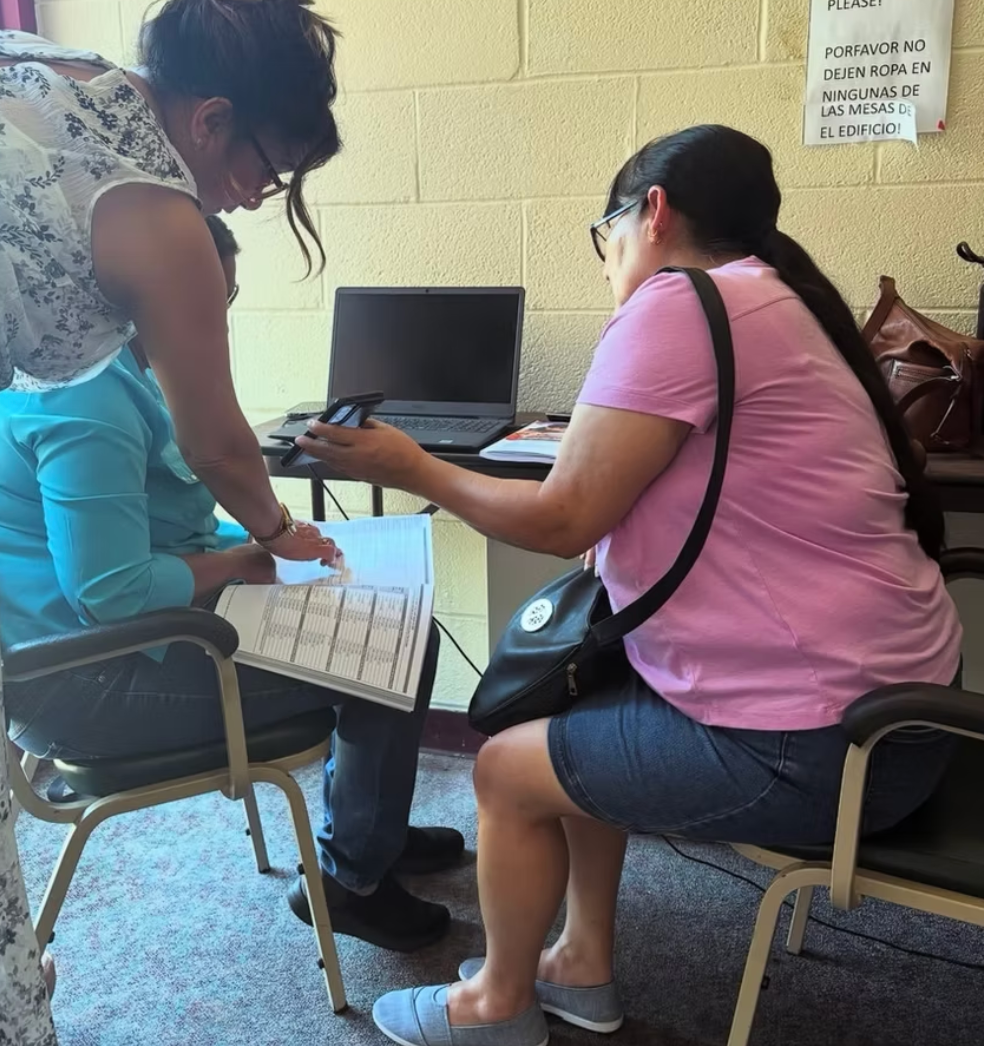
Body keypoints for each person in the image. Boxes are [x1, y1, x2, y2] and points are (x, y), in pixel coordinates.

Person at [295, 125, 964, 1046]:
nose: (607, 259)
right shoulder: (781, 302)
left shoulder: (679, 303)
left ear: (650, 213)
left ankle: (496, 1006)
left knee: (503, 770)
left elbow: (564, 515)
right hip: (900, 718)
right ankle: (580, 964)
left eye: (604, 231)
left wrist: (412, 465)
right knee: (590, 705)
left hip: (820, 750)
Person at [0, 0, 349, 1043]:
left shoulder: (43, 67)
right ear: (213, 116)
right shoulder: (161, 210)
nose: (263, 198)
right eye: (269, 168)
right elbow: (220, 442)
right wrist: (276, 532)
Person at [0, 215, 462, 954]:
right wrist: (247, 562)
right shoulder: (85, 403)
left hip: (128, 641)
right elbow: (111, 592)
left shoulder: (126, 373)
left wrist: (260, 544)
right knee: (396, 647)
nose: (220, 317)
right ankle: (353, 880)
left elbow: (159, 531)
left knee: (390, 623)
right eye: (213, 297)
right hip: (92, 684)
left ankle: (375, 831)